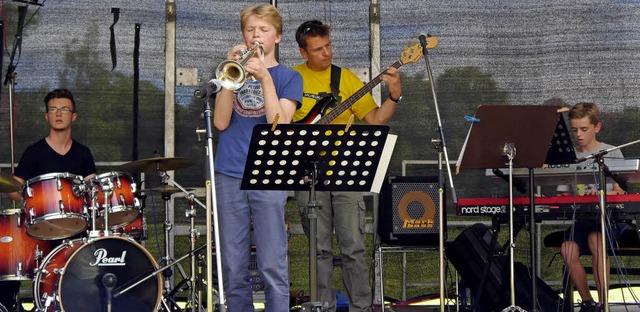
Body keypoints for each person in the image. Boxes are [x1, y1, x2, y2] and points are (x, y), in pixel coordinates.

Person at [293, 20, 402, 311]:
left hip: (345, 171)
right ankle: (322, 306)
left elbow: (377, 120)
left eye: (329, 45)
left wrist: (394, 94)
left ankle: (361, 307)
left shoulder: (346, 79)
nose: (327, 53)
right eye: (318, 49)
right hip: (307, 173)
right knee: (319, 248)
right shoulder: (291, 78)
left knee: (353, 245)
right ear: (304, 53)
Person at [213, 4, 302, 311]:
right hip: (229, 171)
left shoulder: (289, 78)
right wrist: (229, 74)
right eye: (250, 29)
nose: (256, 35)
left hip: (269, 172)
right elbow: (221, 123)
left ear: (277, 36)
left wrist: (265, 78)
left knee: (272, 263)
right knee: (233, 263)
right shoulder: (232, 73)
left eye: (263, 30)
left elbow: (281, 124)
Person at [5, 88, 96, 311]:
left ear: (73, 116)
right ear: (46, 116)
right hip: (41, 231)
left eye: (64, 109)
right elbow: (13, 189)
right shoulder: (35, 152)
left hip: (76, 231)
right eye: (53, 109)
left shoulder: (83, 153)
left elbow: (92, 190)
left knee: (87, 281)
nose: (58, 113)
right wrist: (33, 201)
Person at [560, 102, 626, 312]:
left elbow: (622, 192)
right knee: (567, 249)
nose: (578, 134)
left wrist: (601, 194)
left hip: (610, 219)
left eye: (584, 129)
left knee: (595, 239)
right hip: (582, 220)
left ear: (597, 127)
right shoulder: (569, 157)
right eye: (575, 130)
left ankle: (603, 304)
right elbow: (564, 193)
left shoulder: (612, 153)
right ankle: (588, 302)